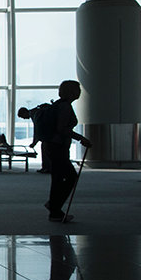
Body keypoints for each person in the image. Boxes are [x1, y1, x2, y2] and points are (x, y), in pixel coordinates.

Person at [45, 80, 93, 223]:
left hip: (53, 145)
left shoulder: (58, 105)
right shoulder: (65, 106)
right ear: (71, 91)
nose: (79, 92)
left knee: (58, 178)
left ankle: (54, 207)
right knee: (69, 177)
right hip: (58, 146)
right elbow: (62, 128)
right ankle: (54, 208)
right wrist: (80, 138)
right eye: (77, 89)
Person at [18, 105, 52, 173]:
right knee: (46, 152)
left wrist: (34, 143)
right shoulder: (37, 111)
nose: (24, 119)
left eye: (23, 117)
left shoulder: (35, 114)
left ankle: (47, 168)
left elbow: (37, 130)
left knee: (46, 152)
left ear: (24, 112)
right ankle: (46, 167)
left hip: (47, 137)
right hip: (48, 136)